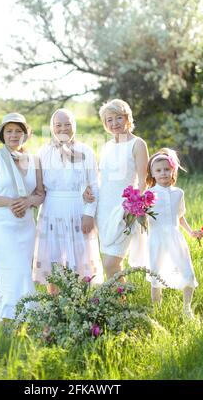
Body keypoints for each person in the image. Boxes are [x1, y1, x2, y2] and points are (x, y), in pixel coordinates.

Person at [0, 112, 45, 322]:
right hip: (2, 226)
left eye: (18, 131)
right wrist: (9, 202)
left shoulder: (35, 160)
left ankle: (18, 320)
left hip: (26, 227)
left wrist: (29, 202)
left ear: (25, 134)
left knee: (22, 270)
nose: (14, 135)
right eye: (9, 131)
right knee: (13, 272)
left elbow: (40, 194)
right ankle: (13, 317)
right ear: (2, 135)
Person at [32, 108, 104, 293]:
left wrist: (89, 214)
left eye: (68, 124)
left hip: (78, 210)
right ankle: (56, 308)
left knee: (80, 260)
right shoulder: (43, 152)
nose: (63, 128)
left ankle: (80, 306)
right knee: (53, 259)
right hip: (52, 209)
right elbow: (38, 186)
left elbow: (94, 184)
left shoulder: (85, 150)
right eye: (58, 125)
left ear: (74, 126)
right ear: (51, 127)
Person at [84, 99, 149, 279]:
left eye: (118, 118)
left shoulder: (137, 144)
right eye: (109, 120)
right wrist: (89, 189)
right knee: (111, 265)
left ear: (127, 118)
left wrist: (134, 210)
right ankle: (120, 305)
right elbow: (100, 177)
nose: (114, 123)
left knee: (111, 263)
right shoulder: (107, 147)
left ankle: (121, 303)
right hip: (103, 209)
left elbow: (144, 181)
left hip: (123, 210)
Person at [145, 148, 203, 318]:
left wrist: (191, 232)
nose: (163, 173)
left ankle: (187, 309)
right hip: (156, 239)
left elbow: (180, 216)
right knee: (157, 275)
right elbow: (142, 217)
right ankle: (157, 311)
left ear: (173, 171)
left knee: (188, 273)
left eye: (166, 169)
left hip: (175, 237)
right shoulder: (149, 194)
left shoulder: (179, 193)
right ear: (152, 173)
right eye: (158, 170)